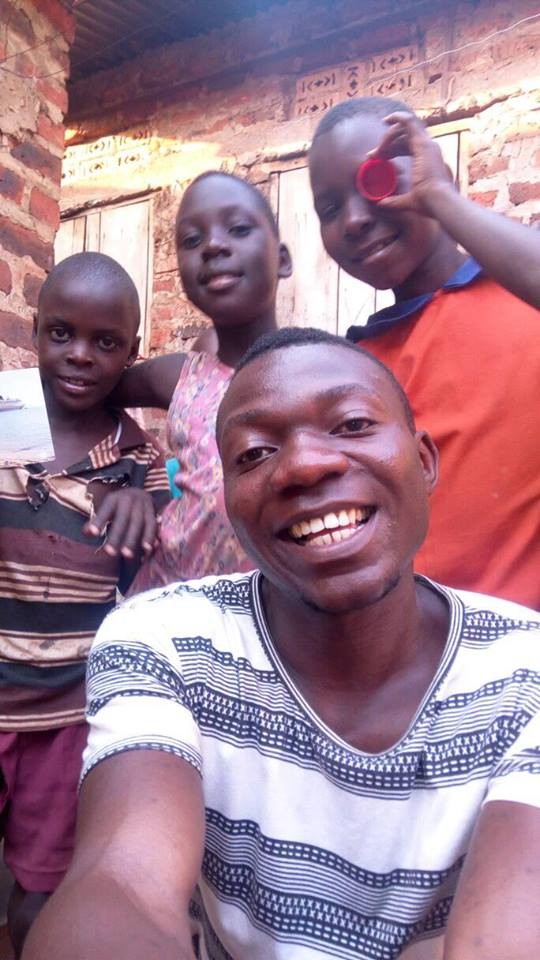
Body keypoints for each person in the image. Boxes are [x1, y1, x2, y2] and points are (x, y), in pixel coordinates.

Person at [23, 328, 540, 960]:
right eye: (255, 453)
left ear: (424, 460)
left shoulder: (525, 672)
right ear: (230, 504)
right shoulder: (165, 640)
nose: (303, 466)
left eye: (352, 424)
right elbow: (123, 880)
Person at [0, 252, 169, 956]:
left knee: (45, 891)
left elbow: (149, 576)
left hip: (68, 714)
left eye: (106, 342)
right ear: (35, 332)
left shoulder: (139, 458)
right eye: (62, 333)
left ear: (132, 351)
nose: (79, 355)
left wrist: (141, 506)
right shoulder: (5, 417)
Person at [308, 96, 540, 609]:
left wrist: (441, 198)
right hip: (431, 645)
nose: (353, 220)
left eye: (374, 180)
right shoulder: (359, 364)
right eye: (330, 209)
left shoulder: (520, 286)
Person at [113, 170, 292, 590]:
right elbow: (84, 393)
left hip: (266, 614)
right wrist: (133, 484)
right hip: (165, 603)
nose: (213, 245)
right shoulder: (178, 377)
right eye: (192, 240)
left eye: (239, 229)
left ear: (282, 260)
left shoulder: (313, 379)